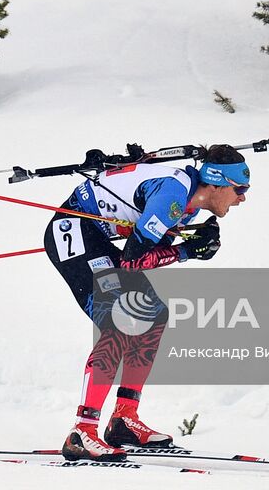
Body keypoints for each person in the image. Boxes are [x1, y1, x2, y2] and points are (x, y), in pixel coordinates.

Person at [43, 143, 251, 462]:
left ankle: (124, 419)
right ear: (217, 183)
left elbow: (149, 252)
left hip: (96, 237)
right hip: (72, 231)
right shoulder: (173, 195)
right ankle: (82, 431)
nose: (242, 198)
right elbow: (134, 260)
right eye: (240, 189)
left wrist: (189, 242)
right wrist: (186, 252)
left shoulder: (189, 207)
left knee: (153, 317)